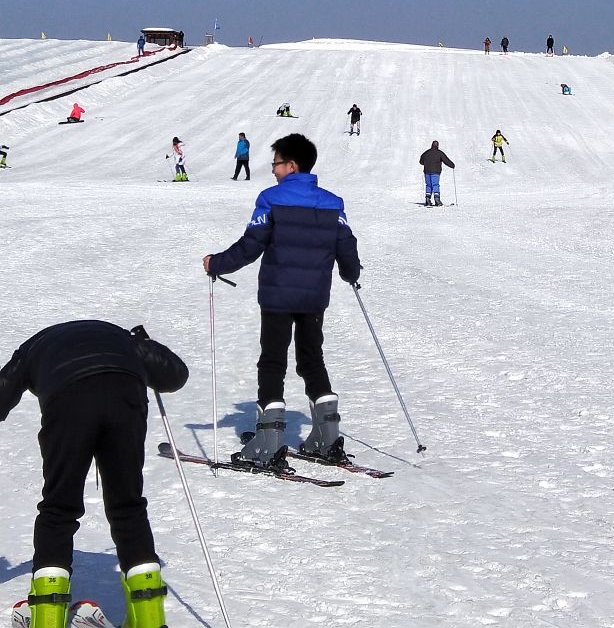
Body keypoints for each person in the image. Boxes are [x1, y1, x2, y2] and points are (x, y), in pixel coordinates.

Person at [0, 320, 188, 628]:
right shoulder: (124, 338)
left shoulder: (33, 347)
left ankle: (47, 619)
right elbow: (175, 376)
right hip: (125, 397)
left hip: (68, 401)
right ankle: (149, 619)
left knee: (58, 509)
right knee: (128, 508)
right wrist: (145, 343)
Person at [202, 133, 361, 467]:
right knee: (311, 357)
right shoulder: (333, 203)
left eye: (275, 163)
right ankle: (326, 436)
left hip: (277, 295)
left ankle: (268, 440)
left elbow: (251, 245)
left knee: (273, 360)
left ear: (291, 165)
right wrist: (350, 273)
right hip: (315, 297)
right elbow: (346, 245)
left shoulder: (271, 199)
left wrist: (216, 263)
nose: (272, 170)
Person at [419, 140, 455, 206]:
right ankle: (437, 199)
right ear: (437, 145)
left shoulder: (426, 153)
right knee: (435, 185)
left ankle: (427, 199)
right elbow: (446, 160)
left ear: (431, 145)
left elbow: (421, 162)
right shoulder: (439, 153)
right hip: (435, 172)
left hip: (427, 171)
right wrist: (452, 165)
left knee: (428, 185)